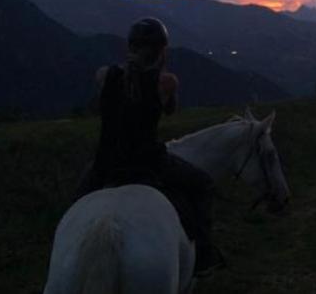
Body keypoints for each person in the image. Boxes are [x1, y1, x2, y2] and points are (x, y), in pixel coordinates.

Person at [74, 17, 224, 276]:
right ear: (161, 50)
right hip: (147, 163)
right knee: (203, 185)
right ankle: (204, 253)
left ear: (129, 47)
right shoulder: (166, 82)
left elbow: (100, 105)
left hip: (106, 163)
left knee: (75, 205)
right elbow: (171, 110)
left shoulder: (103, 75)